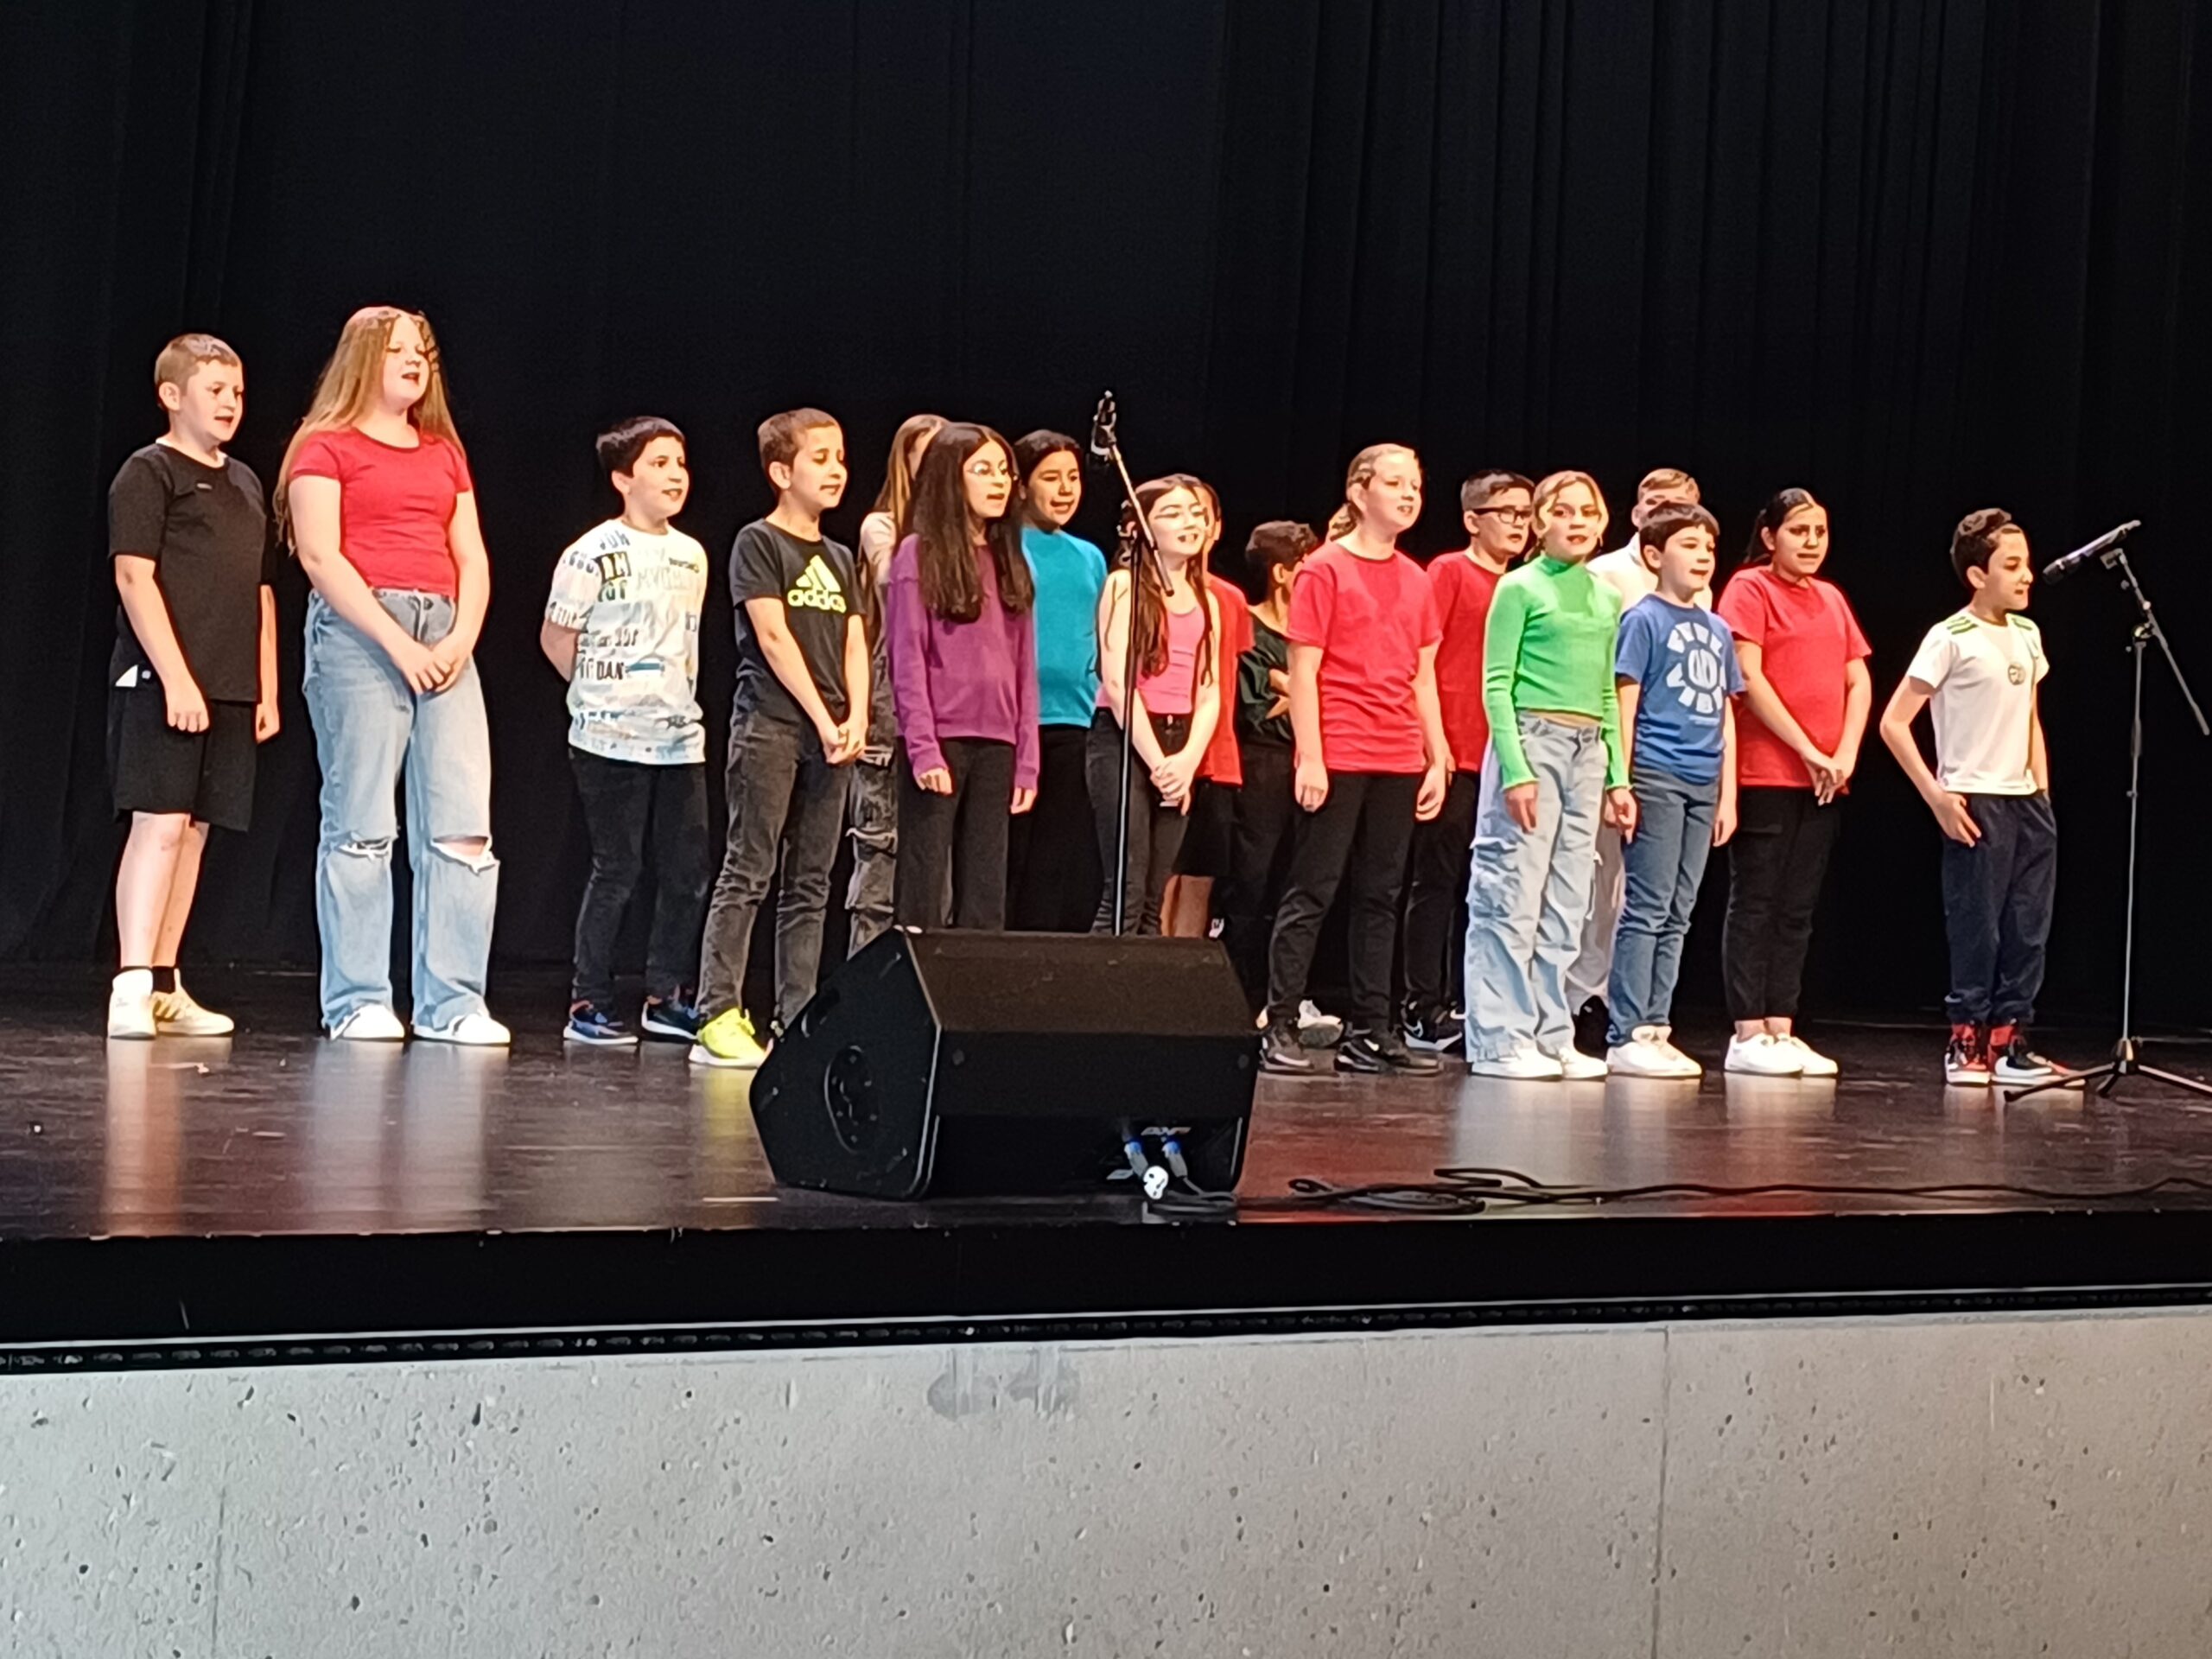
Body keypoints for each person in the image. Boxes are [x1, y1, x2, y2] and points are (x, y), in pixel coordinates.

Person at [280, 306, 506, 1046]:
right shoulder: (325, 446)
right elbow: (321, 556)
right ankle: (357, 1000)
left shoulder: (443, 452)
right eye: (398, 350)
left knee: (462, 828)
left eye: (423, 351)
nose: (415, 361)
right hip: (360, 632)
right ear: (361, 360)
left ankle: (453, 1004)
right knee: (362, 824)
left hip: (444, 631)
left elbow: (471, 556)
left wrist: (460, 638)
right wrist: (397, 644)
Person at [105, 334, 280, 1039]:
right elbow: (133, 576)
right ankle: (131, 982)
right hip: (163, 679)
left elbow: (261, 591)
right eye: (215, 391)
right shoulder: (149, 473)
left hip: (229, 685)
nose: (231, 403)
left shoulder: (246, 482)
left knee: (196, 832)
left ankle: (165, 984)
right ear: (172, 396)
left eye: (237, 392)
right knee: (160, 824)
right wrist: (176, 678)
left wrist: (265, 686)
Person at [1262, 445, 1448, 1077]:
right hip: (1340, 747)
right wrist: (1310, 757)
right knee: (1313, 888)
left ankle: (1373, 1030)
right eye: (1395, 483)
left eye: (1414, 485)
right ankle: (1279, 1021)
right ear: (1359, 491)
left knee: (1381, 895)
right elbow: (1304, 672)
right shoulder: (1324, 570)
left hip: (1398, 752)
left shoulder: (1416, 578)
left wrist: (1436, 755)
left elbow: (1423, 677)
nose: (1408, 495)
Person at [692, 410, 868, 1069]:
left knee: (812, 881)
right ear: (781, 471)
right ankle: (717, 1012)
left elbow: (855, 640)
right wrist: (823, 718)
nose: (835, 470)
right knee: (749, 868)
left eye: (840, 457)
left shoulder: (841, 557)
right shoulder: (758, 542)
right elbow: (772, 637)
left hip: (833, 734)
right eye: (820, 458)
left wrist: (855, 718)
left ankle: (796, 1017)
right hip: (771, 725)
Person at [540, 416, 710, 1047]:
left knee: (687, 873)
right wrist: (598, 696)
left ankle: (666, 996)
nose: (675, 476)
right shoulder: (591, 553)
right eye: (659, 463)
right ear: (623, 479)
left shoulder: (691, 554)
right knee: (617, 868)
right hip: (608, 738)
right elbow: (556, 637)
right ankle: (589, 1000)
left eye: (680, 463)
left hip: (678, 738)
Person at [1878, 508, 2060, 1087]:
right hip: (1974, 800)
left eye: (2026, 563)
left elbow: (2030, 718)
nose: (2026, 575)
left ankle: (2011, 1040)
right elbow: (1894, 722)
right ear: (1978, 575)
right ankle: (1967, 1038)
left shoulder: (2027, 634)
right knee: (1977, 925)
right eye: (2012, 565)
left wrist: (2041, 790)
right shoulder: (1950, 637)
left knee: (2028, 926)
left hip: (2025, 800)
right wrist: (1937, 795)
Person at [1462, 470, 1633, 1080]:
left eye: (1588, 511)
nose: (1577, 522)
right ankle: (1500, 1039)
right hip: (1534, 741)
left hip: (1587, 753)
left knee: (1568, 897)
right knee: (1512, 891)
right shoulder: (1519, 587)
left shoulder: (1606, 597)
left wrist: (1617, 776)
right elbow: (1496, 684)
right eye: (1562, 512)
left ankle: (1550, 1032)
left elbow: (1607, 693)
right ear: (1539, 522)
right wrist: (1516, 770)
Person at [1715, 487, 1872, 1077]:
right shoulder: (1750, 588)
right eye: (1799, 531)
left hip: (1825, 779)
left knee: (1797, 907)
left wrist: (1844, 754)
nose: (1811, 543)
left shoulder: (1831, 597)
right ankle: (1747, 1030)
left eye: (1819, 532)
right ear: (1770, 536)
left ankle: (1782, 1026)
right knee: (1756, 901)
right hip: (1767, 772)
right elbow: (1748, 676)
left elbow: (1858, 679)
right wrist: (1808, 749)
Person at [1570, 466, 1706, 1052]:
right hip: (1621, 751)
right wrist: (1614, 769)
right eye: (1656, 502)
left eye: (1679, 505)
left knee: (1648, 893)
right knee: (1597, 884)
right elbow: (1609, 677)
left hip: (1677, 759)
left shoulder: (1699, 589)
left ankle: (1634, 1007)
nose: (1665, 511)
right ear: (1635, 513)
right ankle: (1581, 999)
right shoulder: (1606, 574)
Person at [1604, 503, 1742, 1077]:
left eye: (1708, 546)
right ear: (1654, 555)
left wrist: (1728, 794)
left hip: (1703, 780)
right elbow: (1625, 703)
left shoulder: (1717, 629)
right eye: (1689, 545)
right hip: (1657, 774)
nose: (1703, 555)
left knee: (1680, 911)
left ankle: (1657, 1025)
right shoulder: (1643, 619)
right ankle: (1627, 1031)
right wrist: (1620, 780)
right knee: (1648, 905)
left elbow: (1726, 716)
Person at [886, 423, 1040, 928]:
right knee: (925, 882)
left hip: (998, 742)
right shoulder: (918, 553)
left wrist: (1027, 760)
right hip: (942, 738)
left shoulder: (1010, 558)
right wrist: (923, 746)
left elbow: (1024, 667)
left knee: (985, 887)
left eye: (1003, 471)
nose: (998, 482)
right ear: (952, 478)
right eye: (983, 470)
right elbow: (907, 657)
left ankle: (979, 978)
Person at [1399, 469, 1529, 1051]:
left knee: (1491, 887)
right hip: (1455, 749)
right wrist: (1437, 747)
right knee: (1438, 880)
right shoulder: (1450, 572)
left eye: (1526, 514)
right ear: (1473, 520)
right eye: (1508, 513)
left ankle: (1475, 1000)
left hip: (1507, 757)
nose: (1520, 525)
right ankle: (1421, 1005)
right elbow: (1422, 661)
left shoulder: (1526, 583)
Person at [1217, 520, 1337, 1044]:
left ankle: (1288, 996)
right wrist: (1302, 690)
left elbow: (1330, 693)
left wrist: (1293, 685)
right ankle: (1243, 998)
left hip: (1317, 759)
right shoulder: (1250, 626)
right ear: (1284, 574)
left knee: (1303, 882)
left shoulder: (1321, 632)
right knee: (1253, 881)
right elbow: (1257, 708)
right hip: (1264, 763)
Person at [1090, 476, 1221, 934]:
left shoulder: (1207, 599)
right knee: (1125, 889)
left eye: (1196, 513)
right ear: (1139, 528)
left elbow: (1209, 690)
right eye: (1172, 513)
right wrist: (1159, 763)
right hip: (1125, 739)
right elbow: (1117, 681)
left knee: (1153, 896)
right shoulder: (1124, 586)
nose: (1189, 523)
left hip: (1177, 741)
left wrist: (1185, 761)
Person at [849, 413, 944, 955]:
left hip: (947, 698)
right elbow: (898, 582)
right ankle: (866, 980)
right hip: (891, 698)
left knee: (935, 861)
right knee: (882, 848)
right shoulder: (884, 526)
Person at [1007, 429, 1107, 931]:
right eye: (1051, 478)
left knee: (1057, 859)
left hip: (1076, 719)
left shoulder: (1090, 556)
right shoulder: (1003, 547)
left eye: (1073, 477)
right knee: (1011, 856)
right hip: (1015, 722)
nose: (1066, 489)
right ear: (1022, 486)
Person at [1161, 478, 1252, 940]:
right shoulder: (1145, 588)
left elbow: (1225, 677)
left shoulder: (1229, 598)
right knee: (1163, 872)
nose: (1191, 523)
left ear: (1215, 528)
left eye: (1200, 514)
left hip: (1216, 754)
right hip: (1165, 749)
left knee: (1201, 874)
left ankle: (1183, 968)